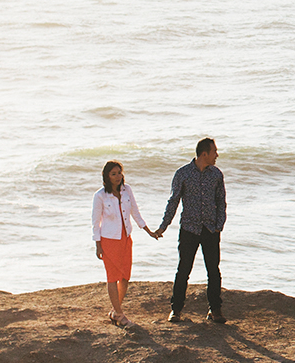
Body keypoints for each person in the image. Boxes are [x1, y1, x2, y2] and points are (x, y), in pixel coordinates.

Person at [158, 137, 227, 324]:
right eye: (214, 152)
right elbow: (173, 201)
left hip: (210, 229)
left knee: (213, 270)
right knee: (183, 270)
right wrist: (164, 226)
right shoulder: (183, 174)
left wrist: (219, 225)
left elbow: (221, 202)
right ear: (204, 154)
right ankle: (176, 309)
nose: (217, 155)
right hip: (189, 228)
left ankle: (215, 309)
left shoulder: (216, 175)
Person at [92, 160, 154, 329]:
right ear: (107, 176)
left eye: (119, 172)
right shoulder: (100, 196)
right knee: (112, 277)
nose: (118, 176)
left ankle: (115, 309)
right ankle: (119, 314)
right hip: (109, 240)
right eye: (113, 174)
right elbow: (95, 222)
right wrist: (98, 244)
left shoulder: (127, 191)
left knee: (125, 277)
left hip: (126, 238)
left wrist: (148, 230)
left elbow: (135, 211)